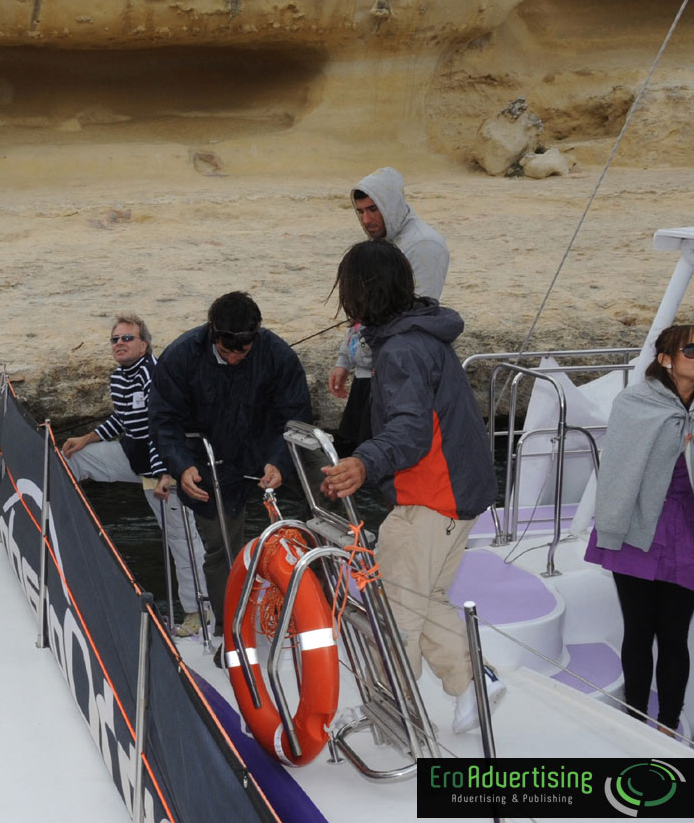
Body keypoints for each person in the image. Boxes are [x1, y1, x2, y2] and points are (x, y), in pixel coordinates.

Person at [321, 239, 501, 734]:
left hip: (430, 497)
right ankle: (473, 684)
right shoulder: (421, 336)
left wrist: (363, 460)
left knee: (397, 611)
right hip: (454, 495)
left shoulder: (400, 350)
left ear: (361, 293)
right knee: (423, 598)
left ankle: (393, 711)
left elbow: (410, 430)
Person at [148, 291, 312, 643]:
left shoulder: (278, 354)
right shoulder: (180, 356)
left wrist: (280, 460)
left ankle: (316, 604)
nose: (236, 360)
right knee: (222, 548)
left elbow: (296, 414)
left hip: (265, 453)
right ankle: (232, 633)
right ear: (212, 333)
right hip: (207, 464)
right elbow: (163, 421)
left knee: (316, 513)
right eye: (227, 353)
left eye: (245, 353)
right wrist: (181, 466)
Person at [61, 315, 210, 636]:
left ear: (144, 344)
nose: (119, 344)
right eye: (115, 339)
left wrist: (164, 474)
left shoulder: (154, 374)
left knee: (183, 542)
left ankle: (199, 613)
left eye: (127, 338)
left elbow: (161, 429)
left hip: (168, 466)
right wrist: (88, 437)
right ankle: (46, 521)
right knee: (73, 458)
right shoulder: (119, 377)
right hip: (135, 457)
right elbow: (125, 421)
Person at [585, 324, 694, 737]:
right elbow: (620, 471)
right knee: (639, 629)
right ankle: (637, 720)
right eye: (692, 350)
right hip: (635, 528)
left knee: (674, 634)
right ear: (666, 359)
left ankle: (666, 725)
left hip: (686, 529)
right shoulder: (635, 402)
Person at [329, 167, 449, 452]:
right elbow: (362, 308)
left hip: (393, 374)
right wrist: (344, 360)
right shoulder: (380, 243)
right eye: (360, 212)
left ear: (391, 206)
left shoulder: (424, 245)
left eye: (373, 210)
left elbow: (414, 316)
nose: (367, 220)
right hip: (367, 372)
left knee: (387, 463)